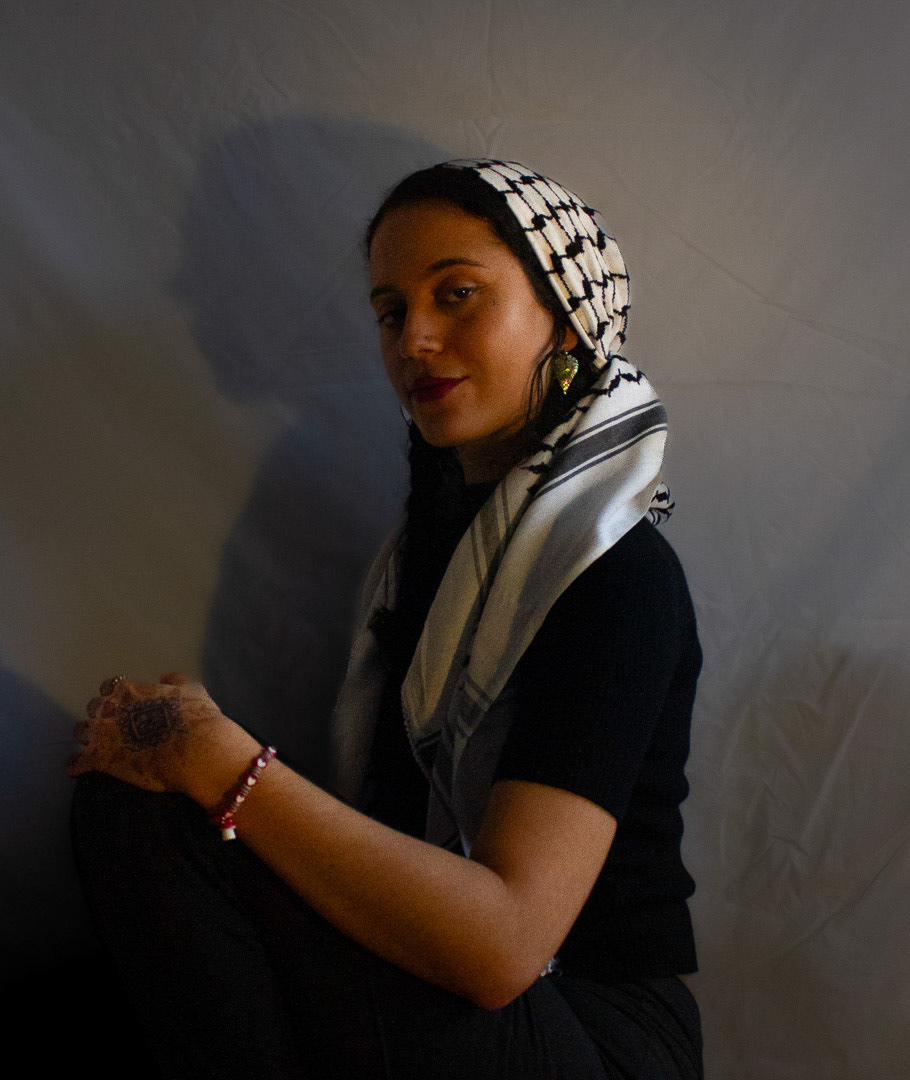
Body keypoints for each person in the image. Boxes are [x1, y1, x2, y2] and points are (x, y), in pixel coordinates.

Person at [69, 160, 704, 1079]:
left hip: (587, 1032)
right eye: (391, 310)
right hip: (451, 997)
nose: (416, 339)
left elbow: (504, 945)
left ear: (566, 320)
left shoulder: (616, 575)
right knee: (131, 814)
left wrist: (220, 760)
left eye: (458, 294)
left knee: (163, 815)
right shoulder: (423, 559)